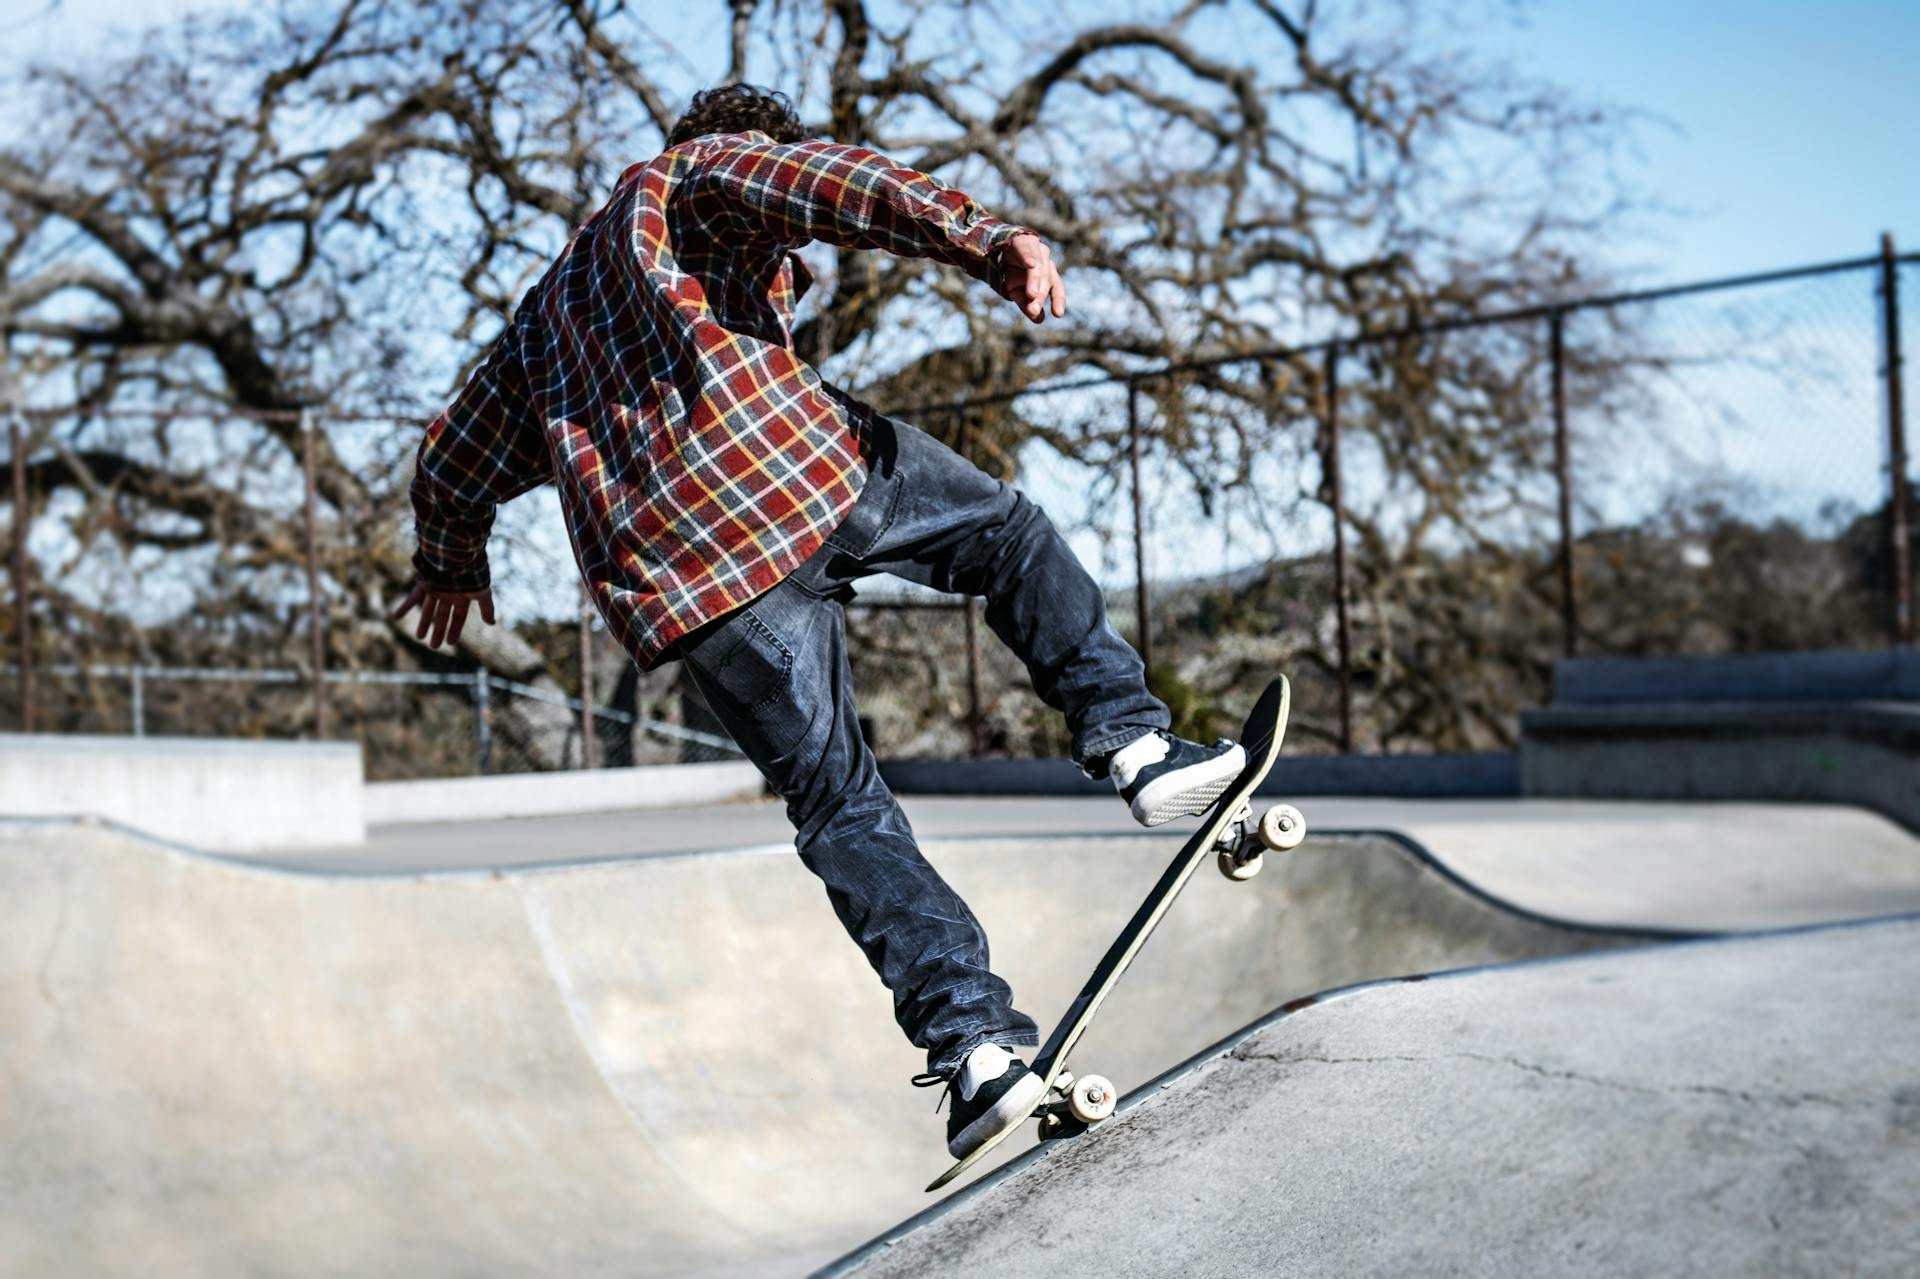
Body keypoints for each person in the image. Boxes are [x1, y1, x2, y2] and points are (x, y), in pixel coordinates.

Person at [393, 84, 1245, 1162]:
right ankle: (1130, 737)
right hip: (798, 475)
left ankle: (975, 1048)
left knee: (840, 804)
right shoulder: (697, 172)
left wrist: (448, 561)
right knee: (1008, 538)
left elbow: (454, 453)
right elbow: (828, 182)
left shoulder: (545, 315)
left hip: (689, 585)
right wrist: (989, 241)